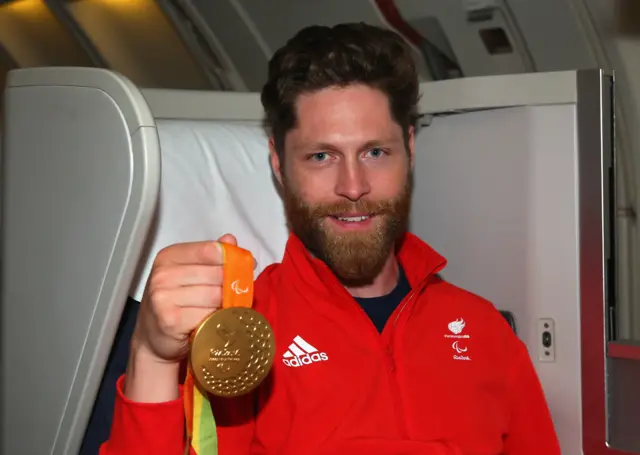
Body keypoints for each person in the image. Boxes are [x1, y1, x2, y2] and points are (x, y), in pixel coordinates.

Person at [99, 22, 561, 455]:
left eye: (375, 152)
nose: (354, 186)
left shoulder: (483, 330)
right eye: (322, 156)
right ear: (279, 165)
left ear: (411, 151)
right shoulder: (237, 337)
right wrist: (151, 356)